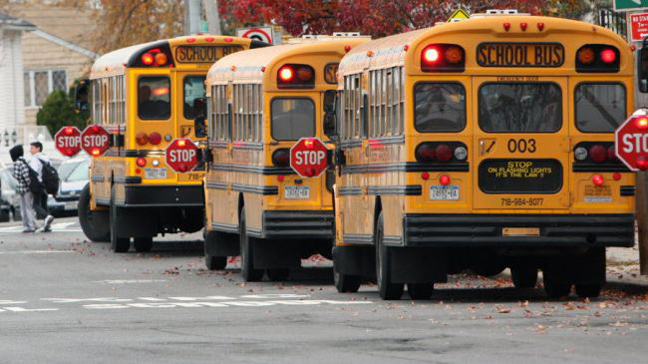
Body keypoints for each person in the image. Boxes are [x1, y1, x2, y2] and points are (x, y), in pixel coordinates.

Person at [10, 145, 38, 233]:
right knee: (29, 207)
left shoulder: (17, 163)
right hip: (28, 188)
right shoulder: (24, 161)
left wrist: (14, 175)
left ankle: (29, 226)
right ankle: (33, 224)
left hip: (24, 188)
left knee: (25, 208)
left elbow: (17, 175)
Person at [29, 141, 54, 231]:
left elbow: (34, 172)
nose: (30, 150)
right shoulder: (46, 158)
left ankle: (47, 217)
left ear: (38, 148)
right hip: (45, 184)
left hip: (37, 183)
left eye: (32, 148)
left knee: (35, 204)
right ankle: (47, 225)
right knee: (44, 204)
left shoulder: (35, 159)